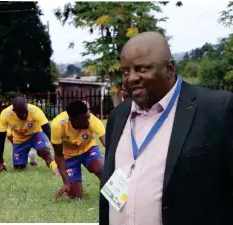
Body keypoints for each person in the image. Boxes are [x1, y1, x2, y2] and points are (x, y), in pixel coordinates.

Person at [99, 31, 233, 225]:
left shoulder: (216, 110)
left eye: (141, 69)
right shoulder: (119, 116)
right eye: (125, 71)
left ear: (169, 69)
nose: (131, 78)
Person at [51, 100, 106, 200]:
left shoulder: (92, 120)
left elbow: (109, 145)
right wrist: (66, 182)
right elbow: (58, 155)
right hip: (69, 156)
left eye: (88, 117)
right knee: (75, 196)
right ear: (73, 119)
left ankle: (111, 192)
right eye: (85, 119)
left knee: (102, 169)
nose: (88, 121)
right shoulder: (57, 125)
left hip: (88, 150)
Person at [0, 97, 59, 174]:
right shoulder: (5, 115)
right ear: (14, 111)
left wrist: (58, 154)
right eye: (21, 113)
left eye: (25, 112)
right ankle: (30, 158)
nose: (24, 115)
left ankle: (55, 167)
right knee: (19, 168)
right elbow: (1, 140)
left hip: (36, 134)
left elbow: (48, 132)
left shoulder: (35, 111)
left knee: (44, 151)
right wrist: (0, 161)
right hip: (20, 140)